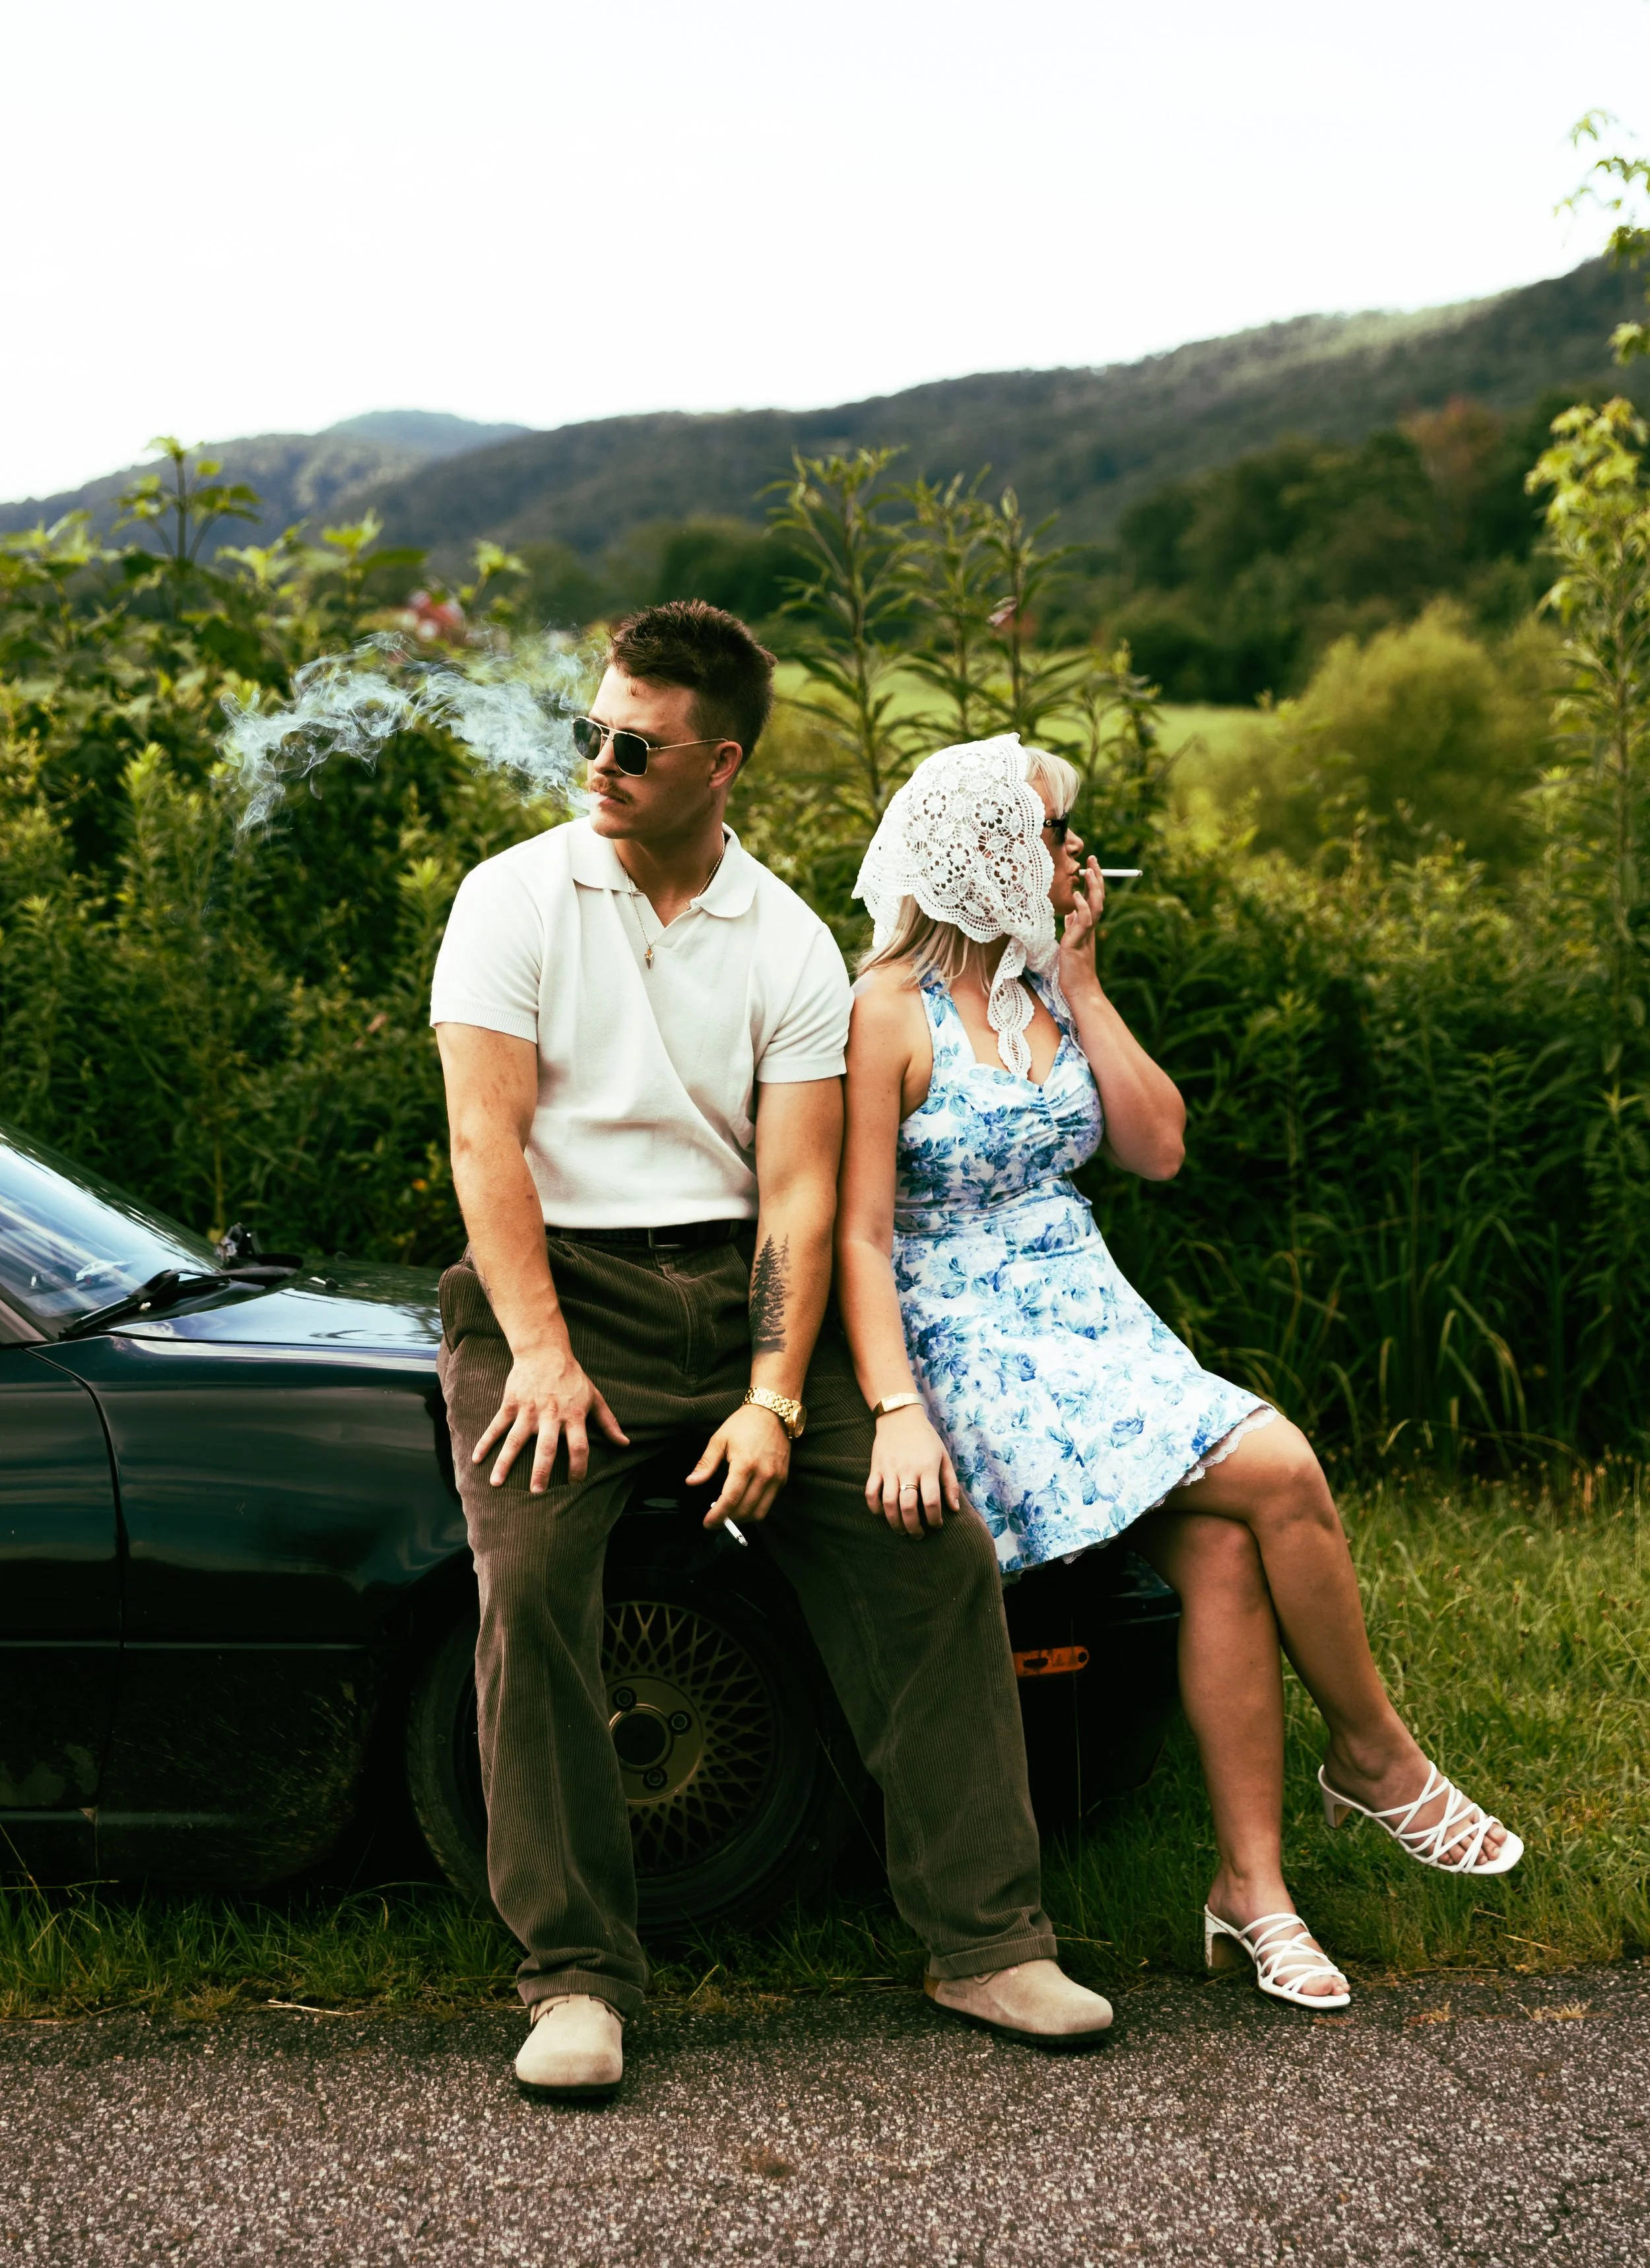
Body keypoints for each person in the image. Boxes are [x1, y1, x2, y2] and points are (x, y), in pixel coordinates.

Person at [428, 607, 1113, 2100]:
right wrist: (538, 1354)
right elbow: (485, 1148)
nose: (599, 762)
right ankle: (575, 1979)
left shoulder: (791, 938)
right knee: (532, 1575)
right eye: (590, 733)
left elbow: (799, 1194)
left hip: (739, 1288)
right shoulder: (510, 900)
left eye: (637, 744)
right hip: (556, 1292)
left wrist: (772, 1399)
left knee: (928, 1539)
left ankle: (984, 1939)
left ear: (719, 762)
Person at [836, 734, 1523, 2013]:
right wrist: (890, 1407)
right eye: (1050, 835)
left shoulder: (1045, 997)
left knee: (1218, 1555)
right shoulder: (881, 1012)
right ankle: (1373, 1758)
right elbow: (857, 1234)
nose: (1074, 857)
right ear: (983, 850)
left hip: (1086, 1314)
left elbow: (1155, 1149)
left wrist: (1084, 982)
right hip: (968, 1336)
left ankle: (1250, 1894)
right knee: (1281, 1469)